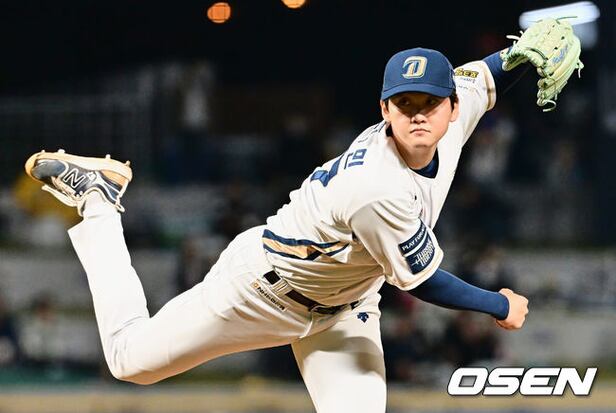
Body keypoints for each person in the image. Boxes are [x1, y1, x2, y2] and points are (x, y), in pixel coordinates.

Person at [25, 45, 533, 412]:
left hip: (346, 310)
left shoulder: (455, 116)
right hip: (263, 291)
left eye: (430, 103)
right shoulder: (376, 185)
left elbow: (487, 76)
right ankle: (99, 201)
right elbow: (423, 282)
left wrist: (525, 52)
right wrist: (498, 304)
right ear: (384, 109)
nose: (418, 114)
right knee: (129, 361)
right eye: (405, 104)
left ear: (453, 108)